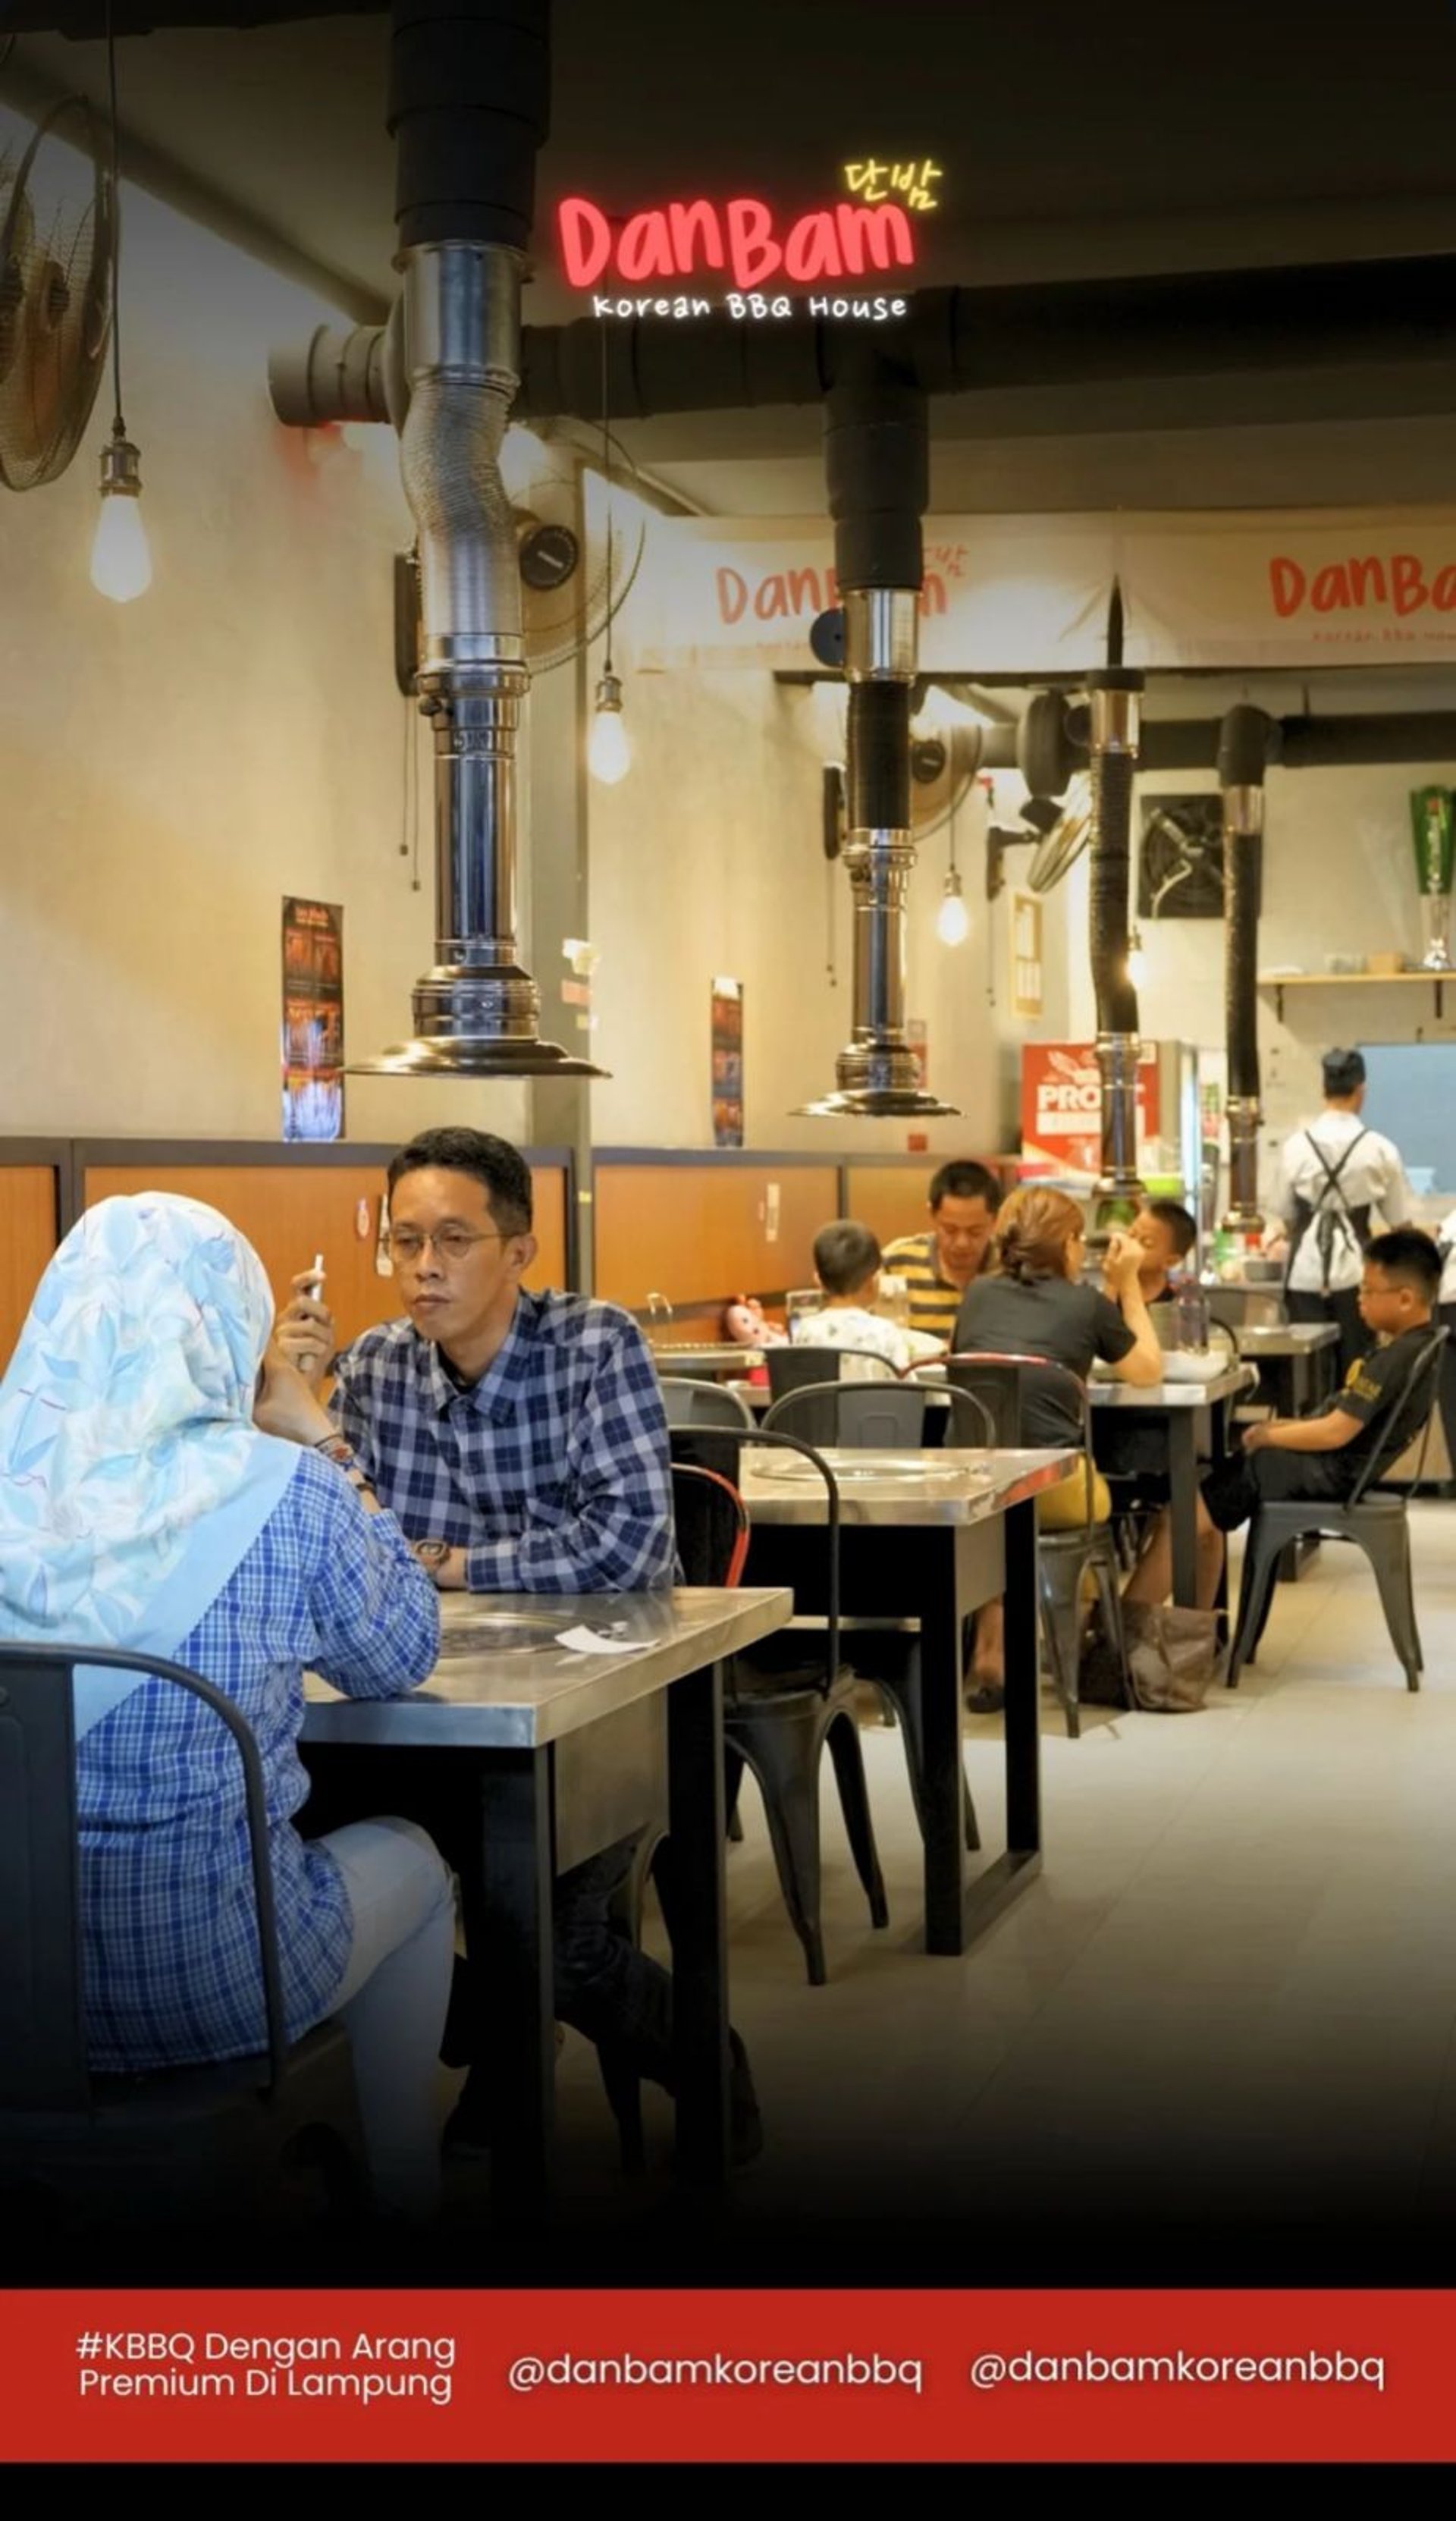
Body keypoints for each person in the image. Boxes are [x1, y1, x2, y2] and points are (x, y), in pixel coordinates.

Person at [275, 1126, 761, 2164]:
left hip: (607, 1696)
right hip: (425, 1703)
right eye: (403, 1243)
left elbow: (632, 1545)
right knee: (286, 1856)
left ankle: (710, 2071)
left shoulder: (594, 1344)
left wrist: (444, 1563)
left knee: (558, 1943)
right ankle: (496, 2051)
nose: (422, 1268)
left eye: (452, 1239)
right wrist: (291, 1411)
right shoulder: (373, 1367)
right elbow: (344, 1551)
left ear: (520, 1251)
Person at [0, 1194, 453, 2219]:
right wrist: (326, 1436)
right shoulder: (286, 1489)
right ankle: (405, 2201)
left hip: (12, 2000)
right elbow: (399, 1654)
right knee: (418, 1868)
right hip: (204, 1986)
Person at [1126, 1227, 1442, 1612]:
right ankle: (1194, 1638)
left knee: (1182, 1520)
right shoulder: (1416, 1345)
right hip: (1334, 1470)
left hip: (1322, 1472)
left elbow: (1336, 1431)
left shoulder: (1393, 1358)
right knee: (1200, 1510)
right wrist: (1277, 1430)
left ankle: (1121, 1644)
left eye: (1367, 1290)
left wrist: (1270, 1438)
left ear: (1406, 1299)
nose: (1359, 1300)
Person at [951, 1188, 1163, 1704]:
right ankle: (1081, 1639)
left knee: (1000, 1502)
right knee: (1071, 1494)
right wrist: (1128, 1284)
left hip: (969, 1484)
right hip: (1054, 1490)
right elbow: (1146, 1372)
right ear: (1068, 1245)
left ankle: (993, 1648)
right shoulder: (1085, 1304)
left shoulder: (977, 1294)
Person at [1273, 1048, 1410, 1378]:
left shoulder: (1296, 1147)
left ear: (1323, 1090)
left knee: (1306, 1373)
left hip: (1304, 1274)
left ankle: (1309, 1426)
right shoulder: (1380, 1148)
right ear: (1361, 1090)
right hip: (1359, 1276)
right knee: (1357, 1370)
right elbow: (1399, 1223)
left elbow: (1284, 1214)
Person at [881, 1159, 1003, 1348]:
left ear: (995, 1220)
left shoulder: (1010, 1266)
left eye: (975, 1232)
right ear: (932, 1214)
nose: (962, 1243)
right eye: (950, 1230)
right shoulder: (896, 1262)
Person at [790, 1220, 913, 1375]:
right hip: (873, 1400)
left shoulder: (805, 1331)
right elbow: (906, 1390)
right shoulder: (886, 1333)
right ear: (871, 1281)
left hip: (821, 1401)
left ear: (819, 1282)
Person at [1128, 1198, 1198, 1307]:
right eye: (1131, 1234)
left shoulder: (1176, 1299)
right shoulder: (1116, 1286)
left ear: (1170, 1262)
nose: (1132, 1243)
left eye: (1146, 1243)